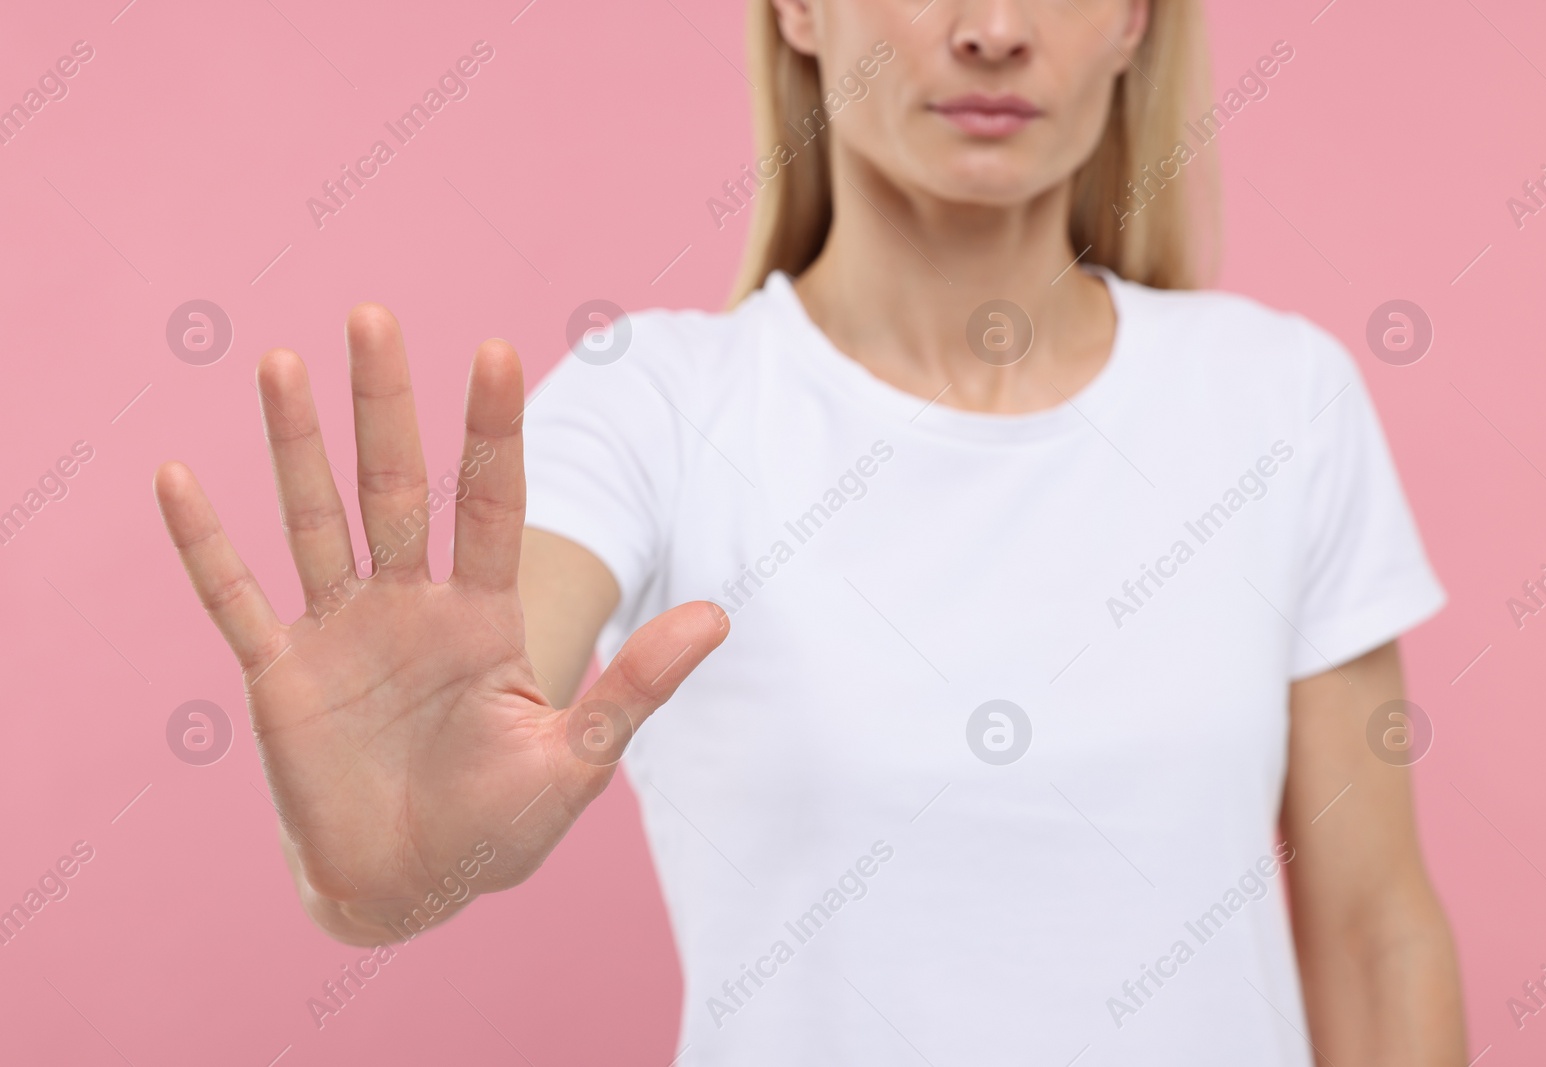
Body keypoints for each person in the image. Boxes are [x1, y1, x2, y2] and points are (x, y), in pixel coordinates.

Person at [153, 0, 1467, 1062]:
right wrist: (391, 857)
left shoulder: (1277, 398)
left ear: (1136, 18)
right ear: (795, 8)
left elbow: (1374, 932)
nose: (996, 28)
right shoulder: (655, 405)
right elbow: (491, 705)